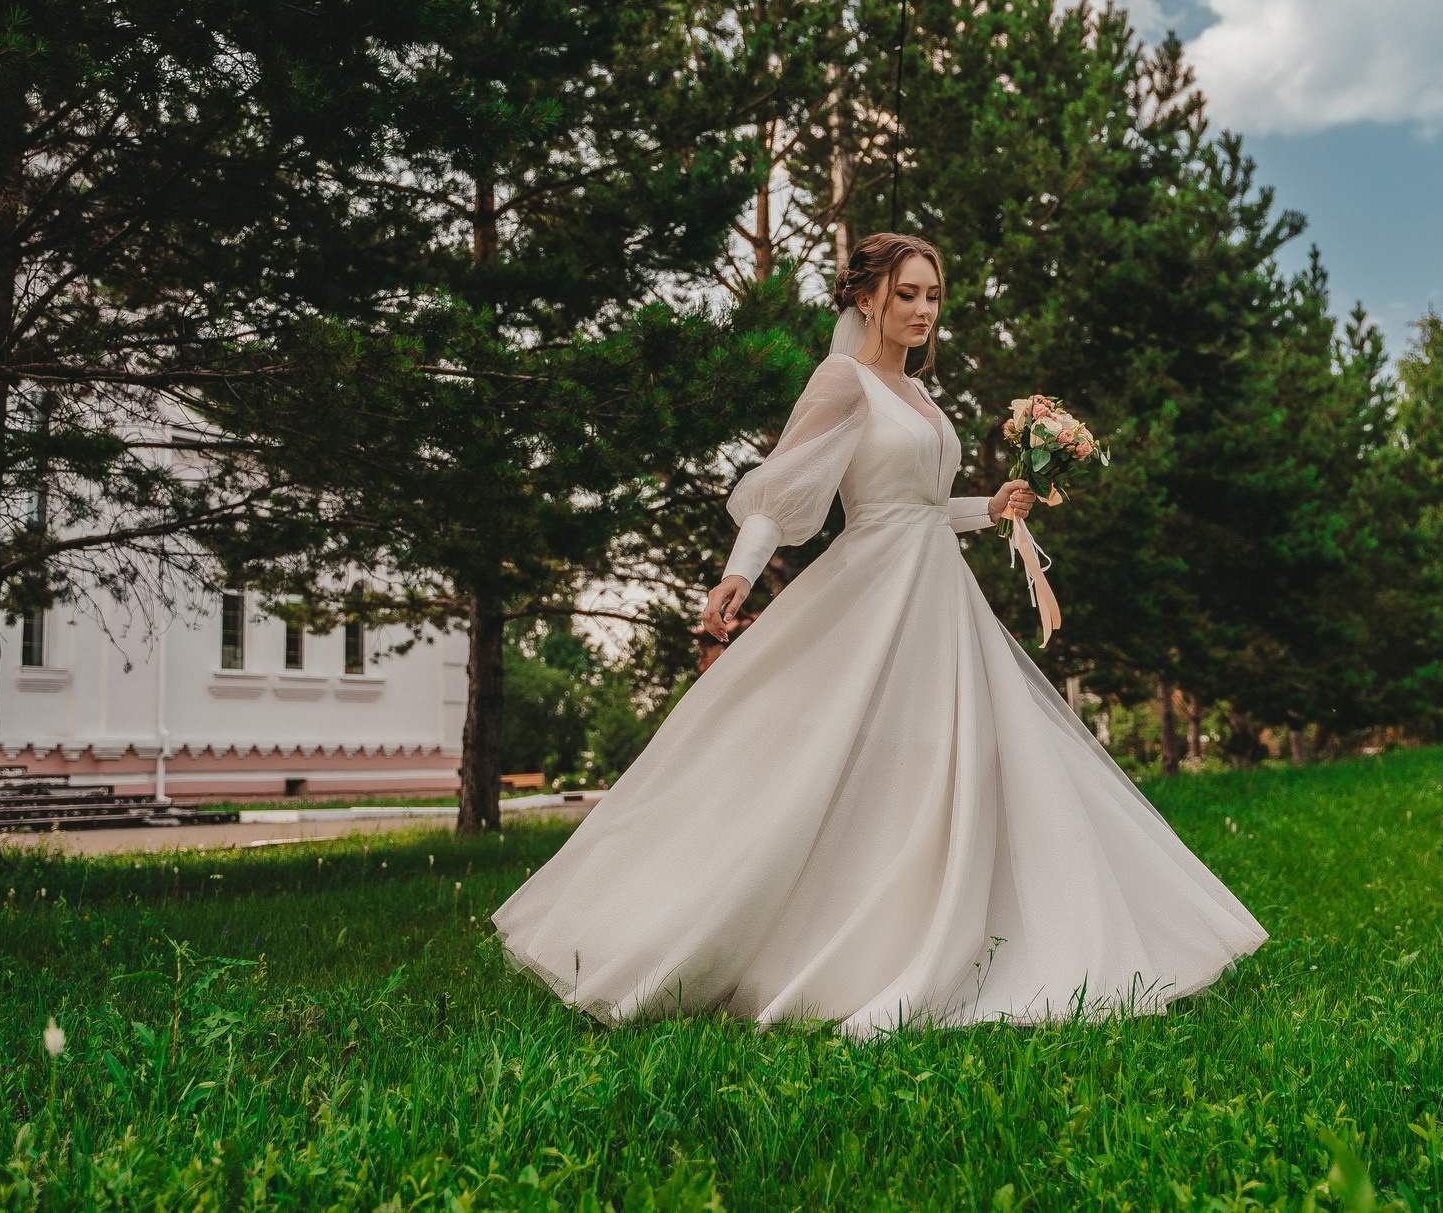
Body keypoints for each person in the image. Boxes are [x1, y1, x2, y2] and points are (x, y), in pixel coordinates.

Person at [492, 233, 1266, 1038]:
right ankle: (787, 936)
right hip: (871, 591)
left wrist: (990, 507)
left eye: (933, 295)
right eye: (908, 294)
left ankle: (962, 927)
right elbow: (783, 487)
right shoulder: (843, 378)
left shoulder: (921, 395)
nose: (925, 309)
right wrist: (739, 572)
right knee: (827, 762)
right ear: (867, 298)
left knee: (963, 759)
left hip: (937, 594)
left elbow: (924, 509)